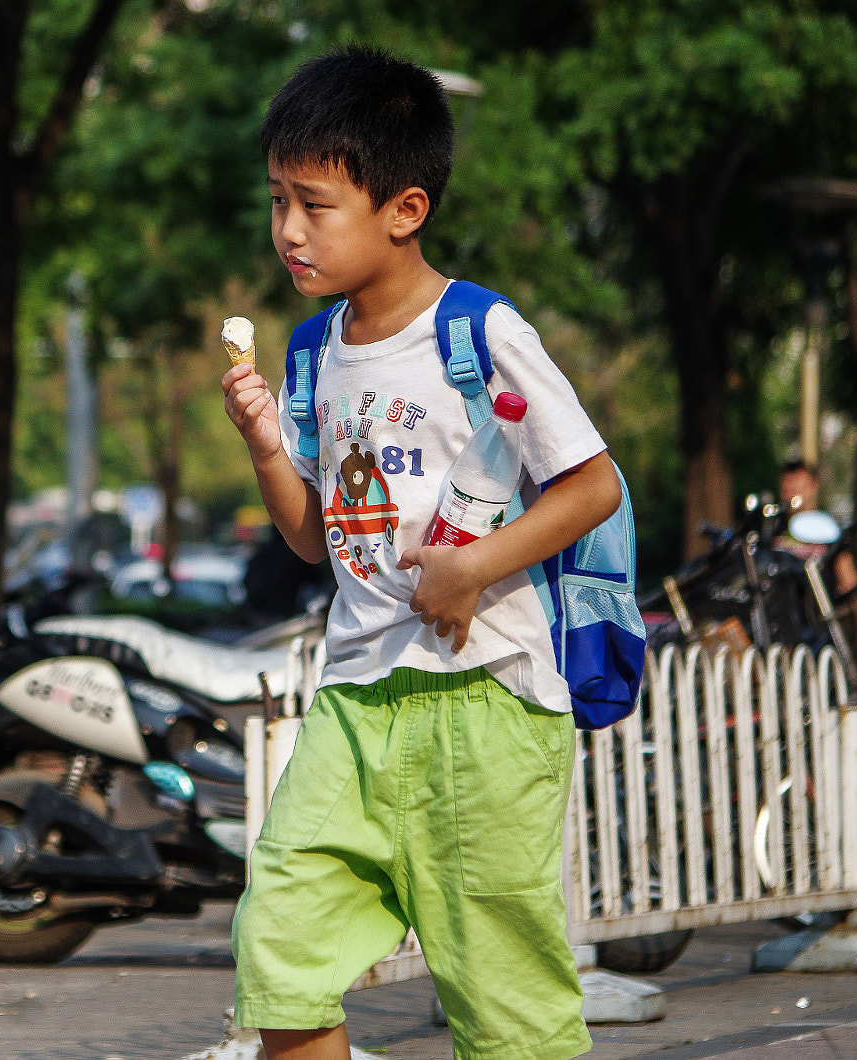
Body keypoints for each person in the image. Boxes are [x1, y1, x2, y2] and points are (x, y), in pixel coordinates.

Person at [220, 47, 622, 1060]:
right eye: (277, 201)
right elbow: (311, 531)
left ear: (403, 208)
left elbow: (591, 484)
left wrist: (473, 566)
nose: (287, 230)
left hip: (485, 700)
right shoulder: (313, 352)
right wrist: (268, 445)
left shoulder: (479, 331)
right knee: (280, 955)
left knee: (504, 1003)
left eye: (313, 203)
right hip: (354, 696)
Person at [776, 460, 857, 597]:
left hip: (818, 611)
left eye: (797, 490)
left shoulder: (829, 529)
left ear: (813, 487)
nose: (791, 497)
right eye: (786, 491)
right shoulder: (773, 530)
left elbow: (848, 581)